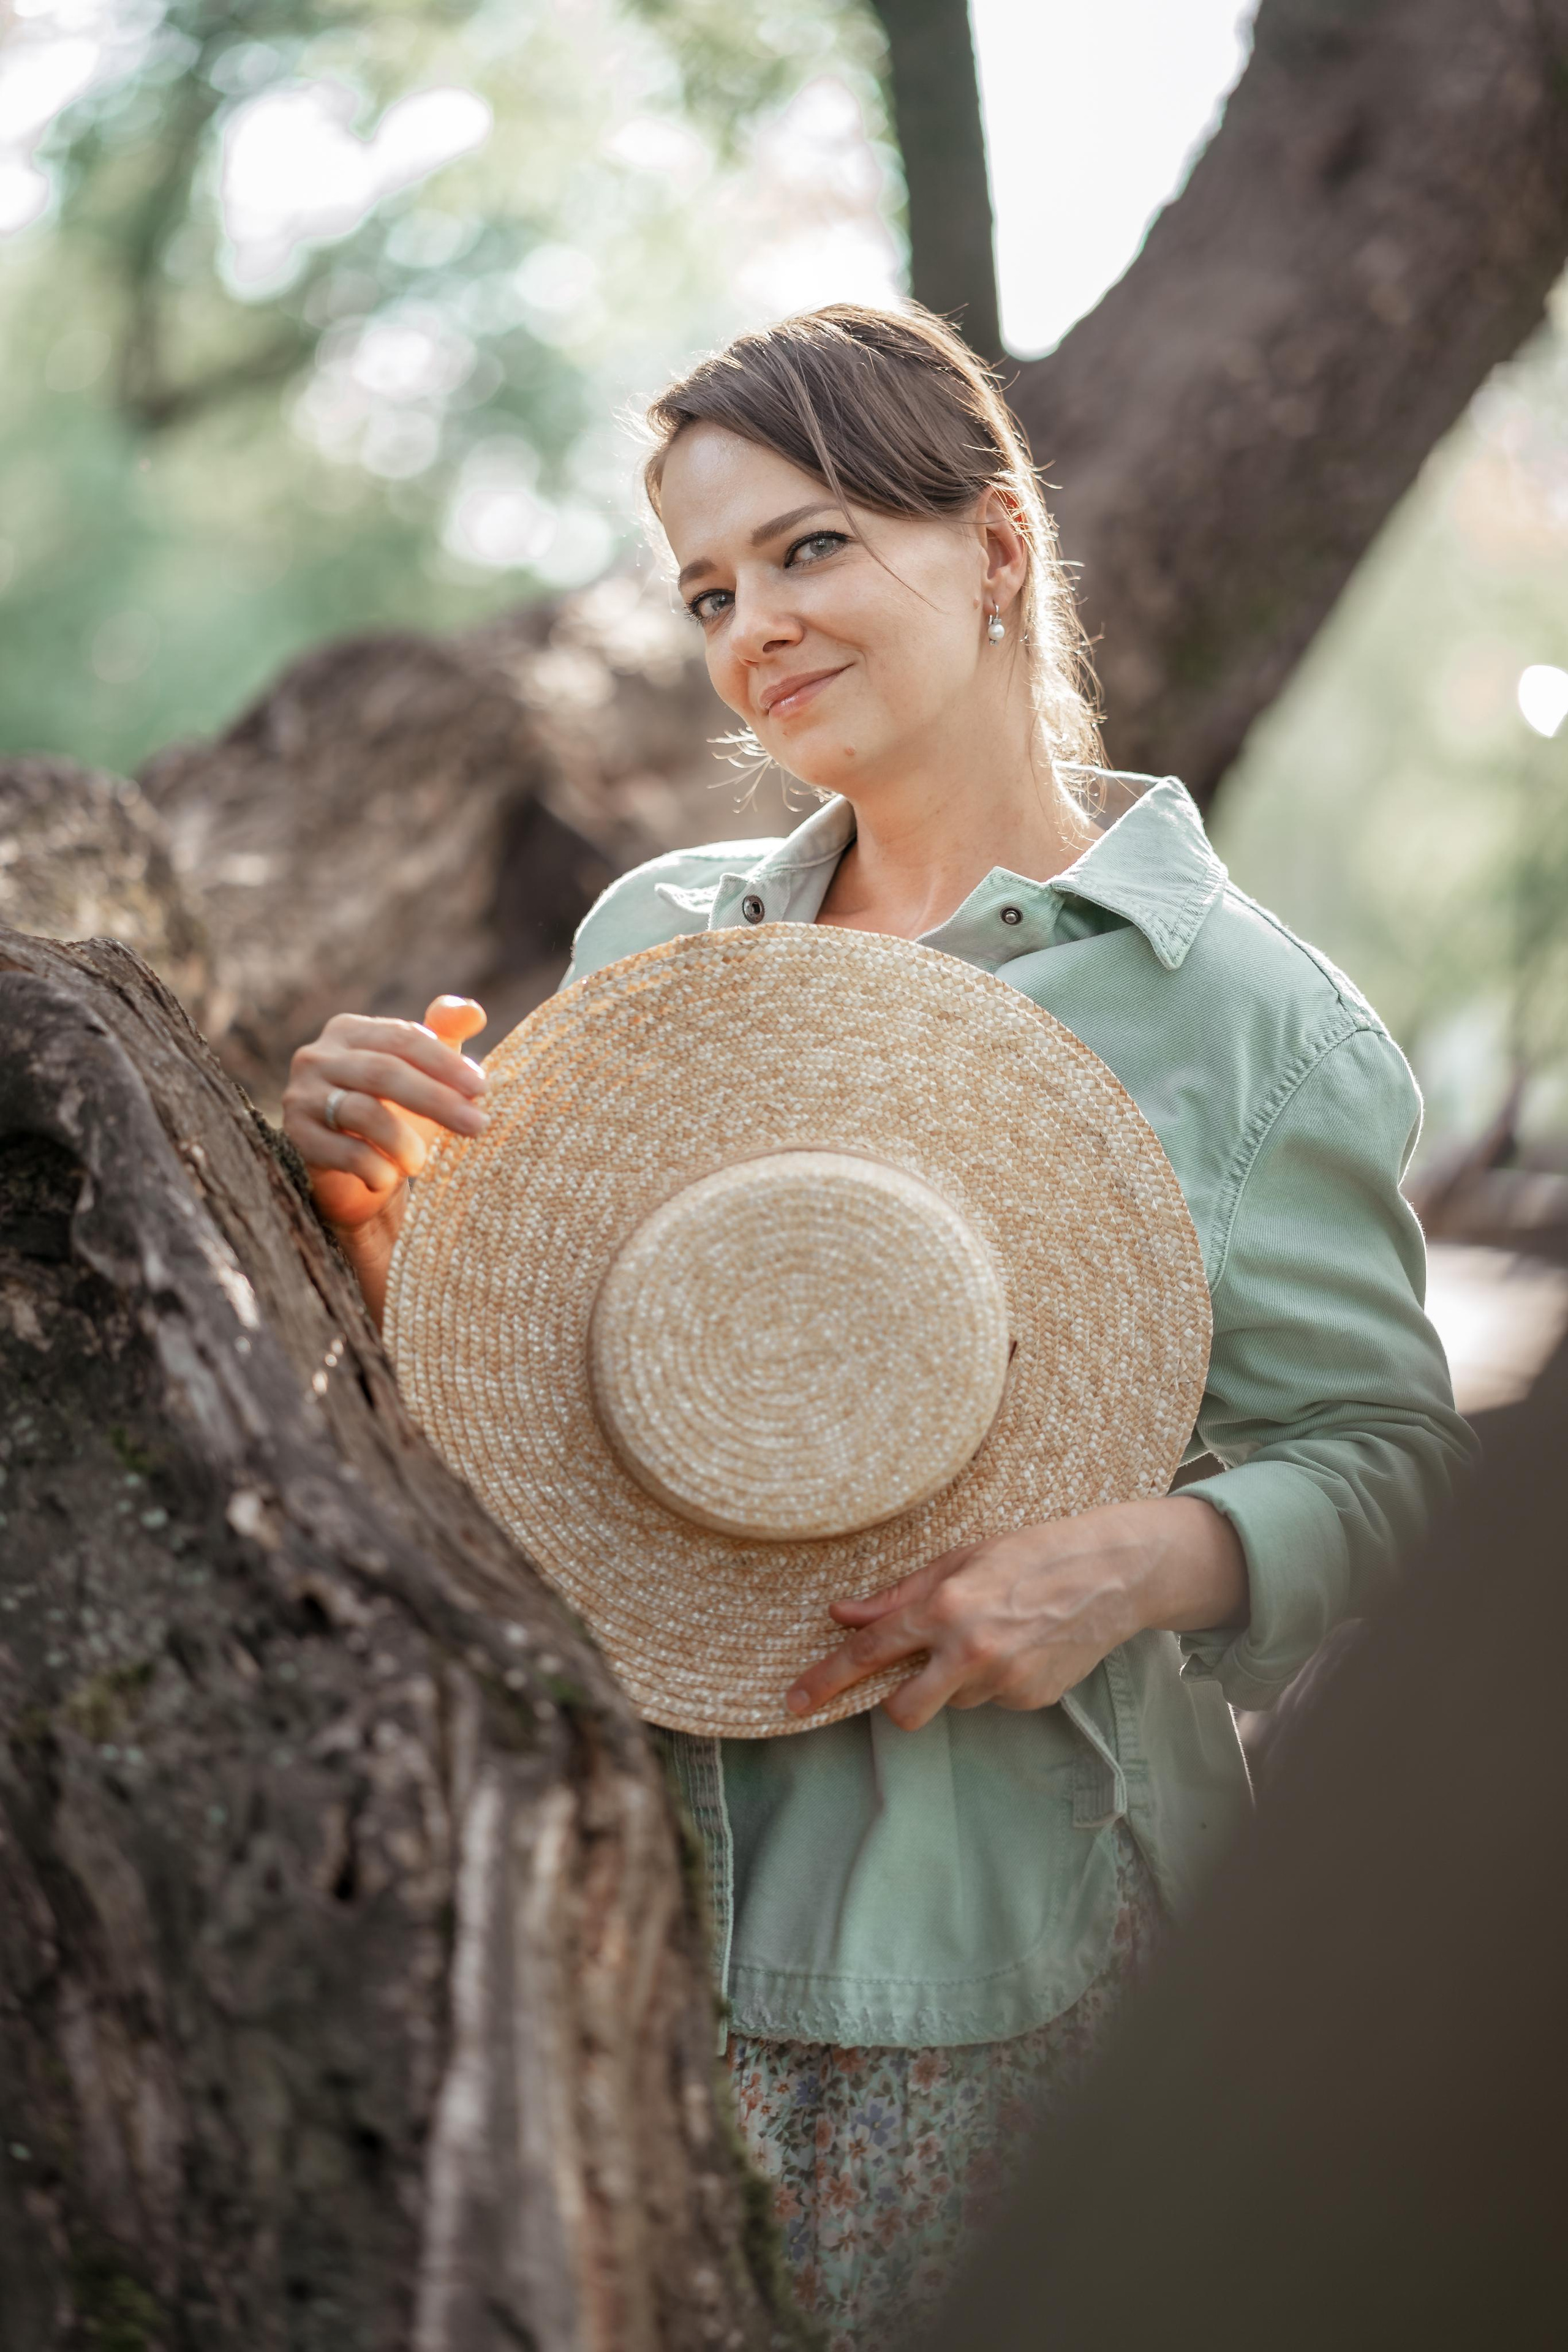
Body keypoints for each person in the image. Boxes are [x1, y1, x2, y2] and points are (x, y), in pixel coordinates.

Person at [282, 304, 1475, 2348]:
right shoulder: (661, 942)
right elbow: (551, 1427)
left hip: (1009, 1975)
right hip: (617, 1924)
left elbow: (1393, 1467)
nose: (755, 621)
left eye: (814, 546)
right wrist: (370, 1226)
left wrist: (1148, 1559)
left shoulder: (1250, 1019)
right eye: (711, 586)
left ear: (998, 545)